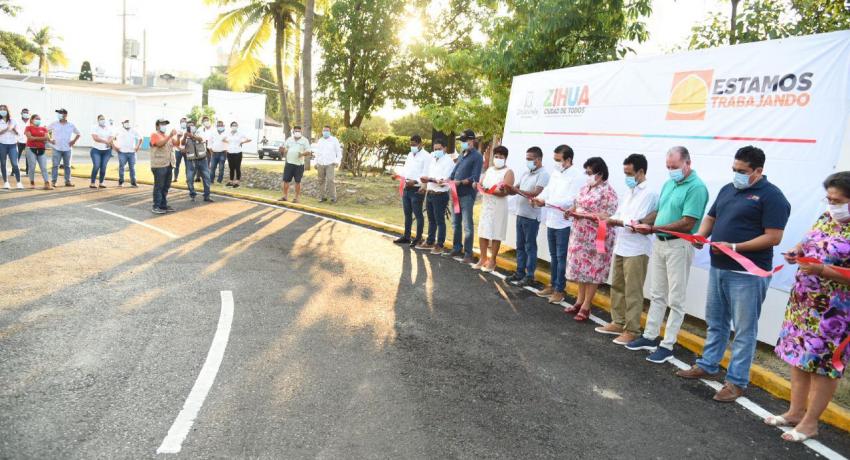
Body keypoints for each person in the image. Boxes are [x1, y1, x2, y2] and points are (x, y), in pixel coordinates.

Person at [675, 146, 790, 402]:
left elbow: (774, 237)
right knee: (716, 321)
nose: (737, 174)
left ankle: (736, 382)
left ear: (758, 171)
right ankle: (708, 365)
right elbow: (711, 217)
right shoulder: (729, 189)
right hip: (719, 268)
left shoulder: (773, 197)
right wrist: (700, 236)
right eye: (734, 169)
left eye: (743, 171)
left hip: (748, 274)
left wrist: (736, 248)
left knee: (744, 330)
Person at [768, 171, 850, 442]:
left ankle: (810, 422)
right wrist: (797, 253)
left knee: (823, 364)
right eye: (828, 198)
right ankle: (794, 412)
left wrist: (823, 269)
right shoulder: (827, 217)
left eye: (837, 200)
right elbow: (809, 242)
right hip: (804, 303)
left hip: (835, 311)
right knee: (799, 357)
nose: (831, 204)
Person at [627, 146, 709, 364]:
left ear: (687, 164)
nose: (671, 170)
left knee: (676, 298)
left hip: (679, 245)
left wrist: (654, 229)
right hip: (661, 243)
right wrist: (644, 222)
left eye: (675, 167)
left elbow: (687, 222)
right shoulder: (669, 183)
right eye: (668, 167)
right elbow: (660, 212)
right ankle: (650, 336)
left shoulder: (697, 188)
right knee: (657, 293)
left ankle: (668, 344)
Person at [596, 154, 658, 345]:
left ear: (641, 172)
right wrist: (608, 216)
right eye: (625, 173)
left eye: (629, 173)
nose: (627, 177)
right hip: (621, 246)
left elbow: (637, 222)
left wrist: (614, 220)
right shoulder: (630, 190)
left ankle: (632, 329)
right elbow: (621, 214)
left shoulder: (651, 193)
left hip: (637, 249)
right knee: (617, 286)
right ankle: (618, 321)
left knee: (633, 291)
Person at [563, 157, 618, 322]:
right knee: (581, 270)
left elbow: (610, 215)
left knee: (593, 271)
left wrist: (586, 215)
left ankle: (587, 305)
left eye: (590, 173)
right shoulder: (585, 187)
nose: (587, 175)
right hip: (579, 236)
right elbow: (577, 203)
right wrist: (570, 211)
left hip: (596, 237)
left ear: (600, 174)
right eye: (586, 172)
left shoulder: (608, 192)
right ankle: (579, 302)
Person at [531, 145, 583, 304]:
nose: (556, 163)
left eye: (558, 160)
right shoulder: (556, 173)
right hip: (552, 220)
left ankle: (560, 290)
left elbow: (570, 200)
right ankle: (553, 285)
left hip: (564, 223)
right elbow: (548, 190)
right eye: (554, 160)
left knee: (561, 257)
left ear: (568, 160)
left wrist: (545, 202)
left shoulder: (577, 176)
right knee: (553, 256)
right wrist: (539, 198)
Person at [507, 146, 549, 287]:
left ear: (538, 159)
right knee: (520, 246)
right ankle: (520, 272)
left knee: (530, 247)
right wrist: (507, 188)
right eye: (527, 158)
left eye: (530, 159)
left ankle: (529, 275)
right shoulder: (526, 173)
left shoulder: (543, 174)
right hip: (521, 213)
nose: (528, 161)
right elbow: (515, 190)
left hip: (532, 217)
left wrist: (516, 189)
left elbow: (535, 193)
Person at [473, 145, 515, 271]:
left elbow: (505, 192)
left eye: (501, 157)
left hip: (499, 206)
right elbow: (482, 184)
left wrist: (490, 191)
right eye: (496, 156)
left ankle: (492, 260)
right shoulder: (490, 170)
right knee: (483, 231)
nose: (498, 158)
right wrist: (478, 186)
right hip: (486, 204)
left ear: (505, 158)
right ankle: (483, 257)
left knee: (496, 233)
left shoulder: (508, 172)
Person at [446, 129, 483, 264]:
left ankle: (468, 253)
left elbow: (475, 177)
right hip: (455, 194)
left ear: (472, 140)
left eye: (464, 141)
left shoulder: (477, 157)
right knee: (455, 223)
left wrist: (460, 182)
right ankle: (457, 248)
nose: (462, 143)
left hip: (467, 195)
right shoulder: (462, 155)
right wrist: (447, 180)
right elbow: (454, 172)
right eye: (461, 141)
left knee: (467, 225)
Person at [419, 139, 455, 255]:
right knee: (431, 220)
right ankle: (430, 241)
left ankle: (440, 245)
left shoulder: (449, 162)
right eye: (435, 149)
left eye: (439, 149)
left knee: (440, 221)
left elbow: (443, 181)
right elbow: (429, 175)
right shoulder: (433, 159)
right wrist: (425, 183)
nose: (437, 151)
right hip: (430, 193)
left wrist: (429, 179)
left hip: (440, 195)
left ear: (444, 149)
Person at [395, 135, 431, 246]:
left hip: (417, 189)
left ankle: (418, 238)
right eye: (411, 145)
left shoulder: (426, 156)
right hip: (407, 187)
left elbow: (426, 174)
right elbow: (406, 170)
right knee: (407, 214)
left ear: (420, 144)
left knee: (418, 214)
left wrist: (415, 182)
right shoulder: (410, 154)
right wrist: (398, 175)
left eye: (414, 145)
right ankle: (406, 236)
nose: (412, 147)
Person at [150, 119, 178, 214]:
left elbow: (177, 144)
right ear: (157, 126)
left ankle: (163, 205)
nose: (164, 126)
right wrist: (170, 135)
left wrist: (179, 136)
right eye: (162, 124)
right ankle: (156, 206)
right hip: (159, 165)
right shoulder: (154, 135)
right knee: (159, 186)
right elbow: (159, 144)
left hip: (169, 164)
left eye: (165, 124)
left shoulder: (167, 136)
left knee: (166, 186)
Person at [278, 125, 311, 203]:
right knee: (286, 180)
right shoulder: (289, 139)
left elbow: (308, 151)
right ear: (293, 132)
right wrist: (282, 150)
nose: (297, 132)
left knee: (297, 182)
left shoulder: (305, 140)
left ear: (301, 132)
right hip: (289, 163)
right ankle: (285, 196)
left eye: (299, 131)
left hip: (299, 165)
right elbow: (285, 149)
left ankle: (296, 198)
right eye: (296, 131)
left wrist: (302, 154)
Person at [48, 108, 80, 187]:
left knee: (67, 166)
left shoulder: (71, 125)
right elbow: (45, 131)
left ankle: (67, 181)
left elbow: (78, 133)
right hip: (56, 148)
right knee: (55, 165)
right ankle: (53, 181)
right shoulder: (54, 123)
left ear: (65, 115)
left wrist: (74, 141)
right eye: (58, 114)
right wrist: (50, 140)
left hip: (67, 149)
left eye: (60, 113)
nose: (59, 115)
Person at [183, 120, 213, 203]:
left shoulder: (200, 132)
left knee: (206, 178)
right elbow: (182, 145)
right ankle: (192, 194)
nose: (191, 127)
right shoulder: (184, 134)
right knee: (189, 179)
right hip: (191, 161)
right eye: (189, 126)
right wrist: (185, 137)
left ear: (195, 126)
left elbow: (201, 139)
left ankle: (207, 196)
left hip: (202, 159)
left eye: (192, 125)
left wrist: (192, 136)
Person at [314, 125, 342, 202]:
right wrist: (315, 162)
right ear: (322, 131)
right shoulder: (320, 141)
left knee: (330, 180)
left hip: (330, 163)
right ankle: (322, 197)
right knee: (321, 181)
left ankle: (333, 197)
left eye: (327, 130)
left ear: (330, 131)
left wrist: (337, 161)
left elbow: (339, 152)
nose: (325, 132)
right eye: (324, 130)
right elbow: (317, 153)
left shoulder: (334, 140)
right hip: (320, 163)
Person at [23, 114, 51, 189]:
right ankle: (32, 182)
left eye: (39, 119)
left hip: (41, 149)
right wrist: (42, 138)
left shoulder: (44, 128)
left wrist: (35, 138)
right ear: (32, 120)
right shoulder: (28, 128)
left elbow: (47, 138)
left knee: (44, 167)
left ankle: (47, 182)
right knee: (32, 167)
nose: (38, 120)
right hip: (31, 149)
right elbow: (30, 137)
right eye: (36, 118)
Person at [114, 119, 142, 187]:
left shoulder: (134, 130)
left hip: (132, 152)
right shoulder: (119, 130)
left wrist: (138, 147)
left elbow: (141, 138)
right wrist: (115, 146)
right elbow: (113, 138)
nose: (127, 123)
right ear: (122, 123)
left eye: (128, 122)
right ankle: (121, 182)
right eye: (125, 122)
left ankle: (133, 182)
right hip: (122, 152)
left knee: (132, 168)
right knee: (121, 167)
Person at [89, 114, 114, 189]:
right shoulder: (94, 127)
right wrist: (106, 142)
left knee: (103, 167)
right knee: (96, 166)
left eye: (103, 119)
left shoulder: (109, 128)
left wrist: (109, 142)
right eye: (100, 119)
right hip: (96, 150)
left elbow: (111, 137)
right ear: (98, 120)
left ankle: (101, 182)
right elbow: (95, 138)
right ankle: (92, 183)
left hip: (106, 151)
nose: (102, 120)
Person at [0, 104, 22, 189]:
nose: (2, 111)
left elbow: (19, 133)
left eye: (4, 109)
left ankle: (19, 182)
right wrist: (7, 129)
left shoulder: (13, 120)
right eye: (1, 109)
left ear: (7, 111)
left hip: (12, 145)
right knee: (3, 163)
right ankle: (6, 182)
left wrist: (13, 129)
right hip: (2, 144)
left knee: (15, 164)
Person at [225, 121, 251, 188]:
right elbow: (222, 139)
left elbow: (249, 139)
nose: (234, 126)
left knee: (237, 167)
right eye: (233, 125)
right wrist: (228, 143)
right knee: (231, 168)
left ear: (237, 126)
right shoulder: (228, 134)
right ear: (231, 126)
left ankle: (237, 182)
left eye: (235, 125)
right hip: (230, 152)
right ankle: (231, 181)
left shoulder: (240, 134)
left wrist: (242, 142)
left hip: (238, 153)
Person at [173, 117, 188, 181]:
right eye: (182, 122)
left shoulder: (189, 130)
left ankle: (188, 178)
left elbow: (190, 141)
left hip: (187, 151)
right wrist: (180, 148)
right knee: (176, 165)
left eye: (184, 121)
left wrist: (185, 149)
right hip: (178, 150)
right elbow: (174, 140)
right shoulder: (177, 130)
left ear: (186, 123)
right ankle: (175, 178)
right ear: (180, 123)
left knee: (188, 165)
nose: (183, 123)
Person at [17, 108, 29, 174]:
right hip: (19, 142)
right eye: (24, 112)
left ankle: (28, 172)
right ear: (21, 113)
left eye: (27, 113)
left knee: (28, 158)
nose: (25, 114)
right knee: (16, 158)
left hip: (28, 142)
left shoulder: (30, 122)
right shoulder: (17, 121)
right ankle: (14, 171)